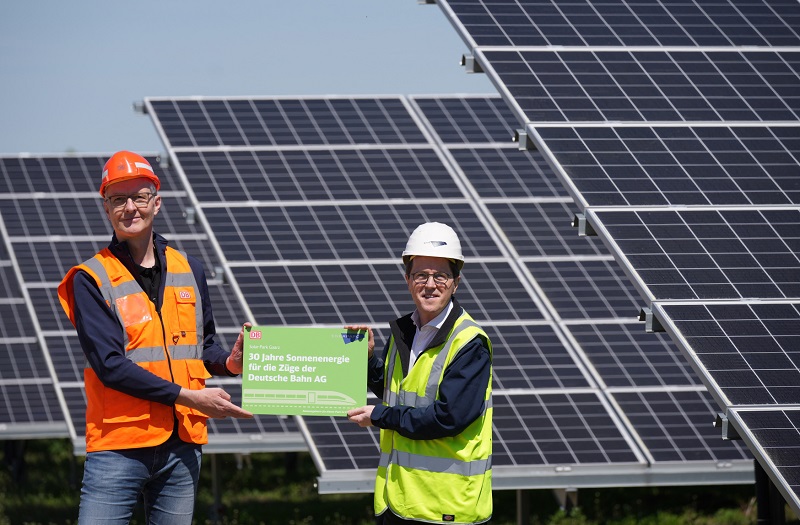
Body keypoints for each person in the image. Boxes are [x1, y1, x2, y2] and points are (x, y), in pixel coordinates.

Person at [57, 150, 253, 524]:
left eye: (139, 197)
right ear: (107, 208)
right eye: (118, 199)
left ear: (156, 203)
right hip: (118, 447)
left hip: (182, 445)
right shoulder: (90, 278)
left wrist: (229, 362)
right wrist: (190, 396)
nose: (130, 207)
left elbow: (202, 346)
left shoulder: (189, 268)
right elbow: (110, 366)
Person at [346, 222, 493, 525]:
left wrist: (380, 416)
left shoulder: (469, 342)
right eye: (421, 275)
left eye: (440, 275)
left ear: (456, 282)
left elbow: (448, 417)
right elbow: (395, 390)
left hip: (447, 508)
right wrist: (366, 360)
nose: (430, 284)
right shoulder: (406, 331)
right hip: (399, 502)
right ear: (408, 280)